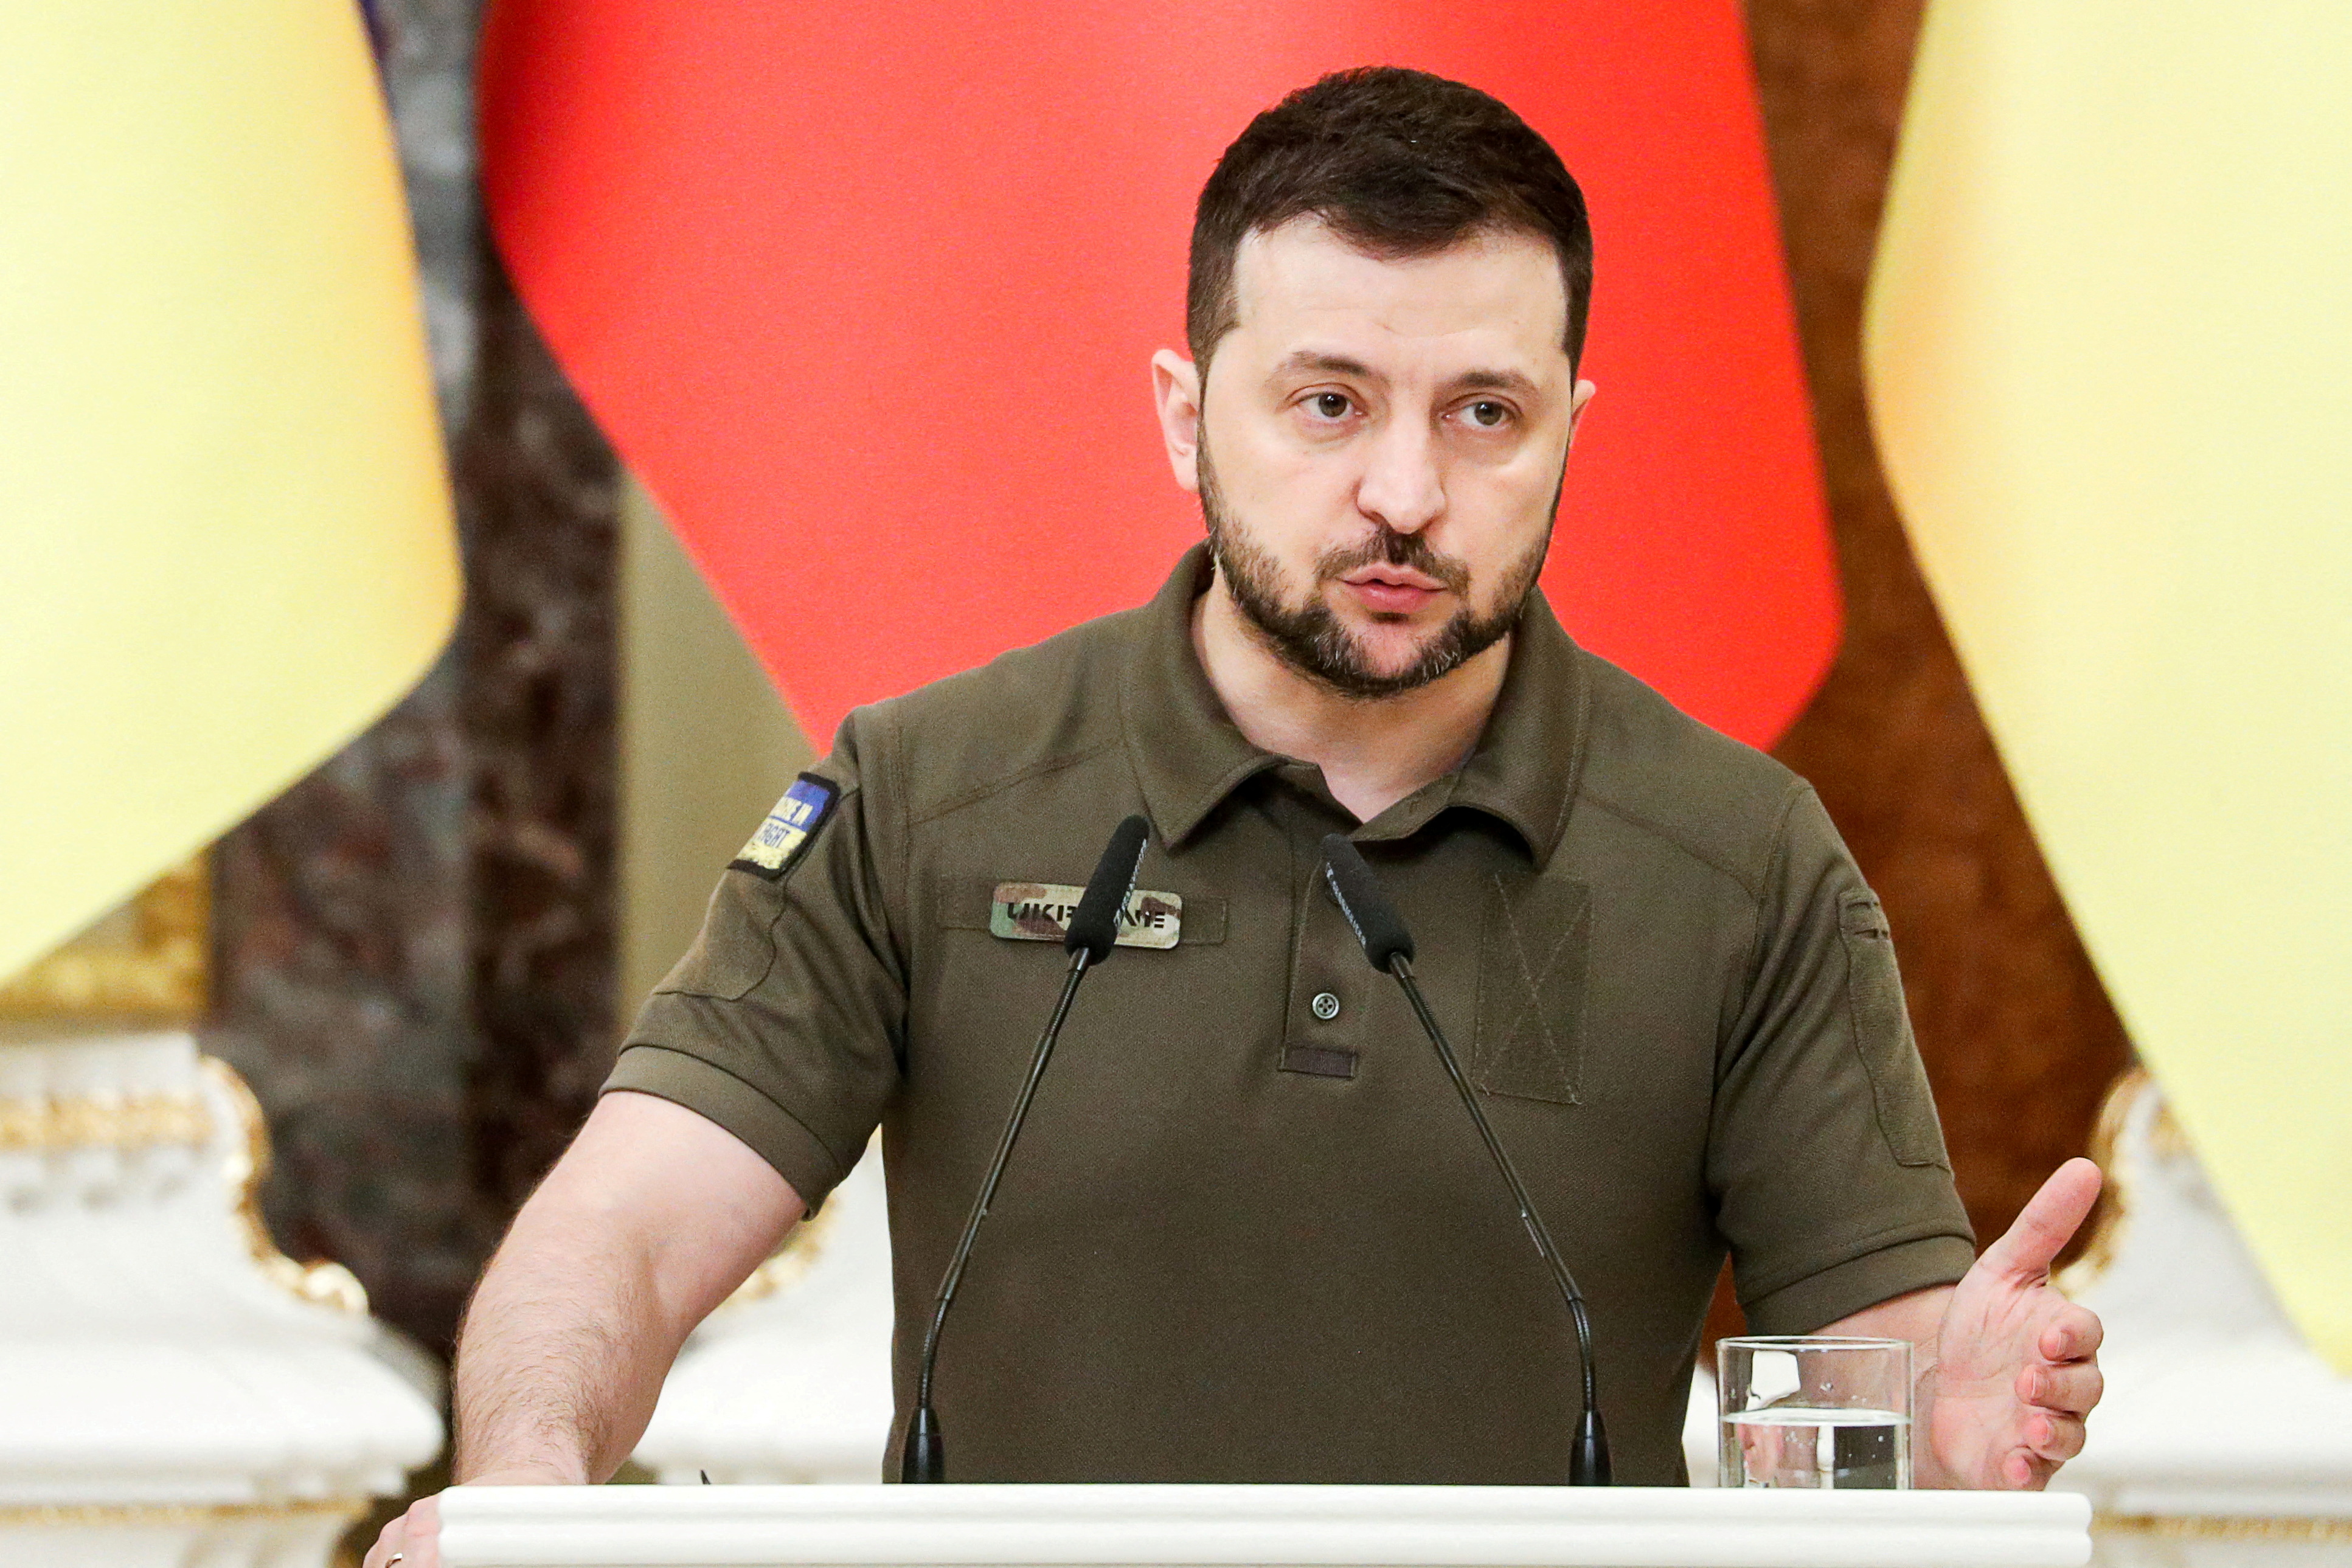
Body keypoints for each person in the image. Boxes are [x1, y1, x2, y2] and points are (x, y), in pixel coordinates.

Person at [368, 66, 2102, 1567]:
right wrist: (528, 1496)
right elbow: (622, 1231)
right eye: (1328, 401)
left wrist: (1951, 1436)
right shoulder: (927, 791)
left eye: (1483, 415)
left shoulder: (1743, 860)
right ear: (1187, 415)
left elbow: (1875, 1375)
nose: (1405, 492)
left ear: (1572, 435)